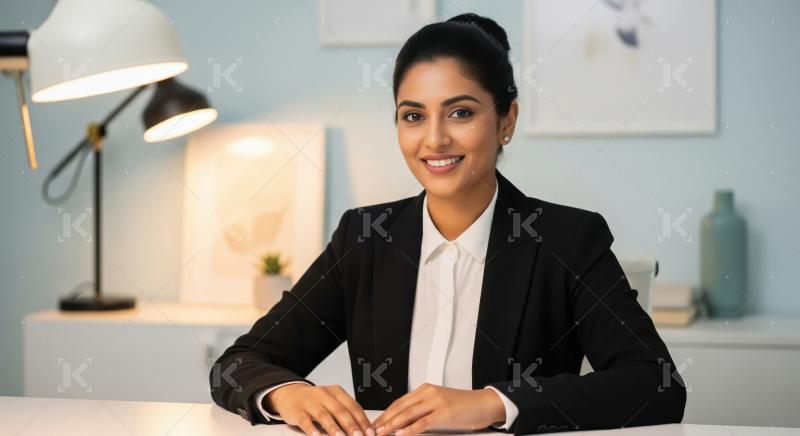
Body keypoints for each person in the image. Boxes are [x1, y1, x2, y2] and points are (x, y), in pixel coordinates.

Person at [210, 12, 686, 436]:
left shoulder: (567, 239)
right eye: (413, 116)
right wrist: (289, 394)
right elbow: (236, 365)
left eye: (460, 112)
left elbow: (655, 383)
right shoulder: (365, 239)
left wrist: (491, 404)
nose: (434, 139)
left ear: (506, 120)